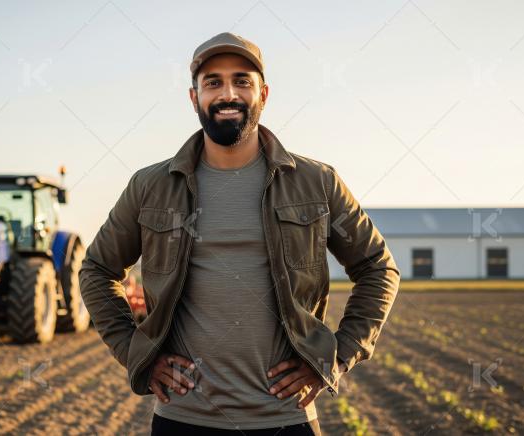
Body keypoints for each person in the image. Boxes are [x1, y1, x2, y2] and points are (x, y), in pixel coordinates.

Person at [79, 32, 401, 435]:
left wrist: (334, 360)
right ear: (194, 97)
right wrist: (134, 352)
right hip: (182, 421)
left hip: (287, 420)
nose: (228, 93)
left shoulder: (317, 183)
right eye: (213, 82)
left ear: (263, 94)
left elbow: (377, 269)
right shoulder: (151, 186)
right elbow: (96, 269)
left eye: (242, 81)